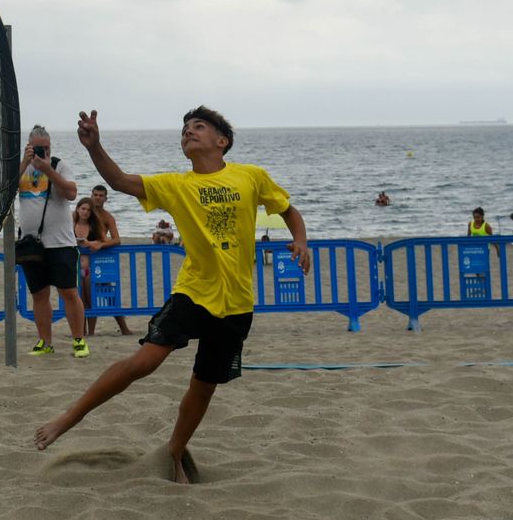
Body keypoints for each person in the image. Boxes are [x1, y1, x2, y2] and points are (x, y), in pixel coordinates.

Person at [35, 106, 310, 484]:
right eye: (184, 129)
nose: (189, 132)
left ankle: (175, 452)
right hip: (193, 293)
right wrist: (94, 146)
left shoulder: (251, 177)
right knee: (145, 361)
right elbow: (118, 180)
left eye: (198, 126)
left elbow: (288, 210)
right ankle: (70, 416)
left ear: (222, 140)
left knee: (204, 384)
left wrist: (300, 240)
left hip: (237, 302)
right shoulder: (177, 185)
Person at [16, 125, 89, 358]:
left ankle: (78, 340)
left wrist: (48, 169)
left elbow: (71, 193)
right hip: (32, 243)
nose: (41, 151)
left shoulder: (59, 165)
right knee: (39, 294)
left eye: (45, 147)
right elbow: (3, 192)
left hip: (61, 243)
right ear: (28, 146)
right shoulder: (21, 169)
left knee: (68, 291)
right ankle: (45, 341)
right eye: (37, 147)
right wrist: (23, 163)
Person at [87, 184, 135, 336]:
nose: (98, 198)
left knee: (109, 294)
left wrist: (101, 244)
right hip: (83, 258)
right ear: (91, 195)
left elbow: (117, 240)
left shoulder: (107, 217)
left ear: (106, 198)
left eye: (101, 195)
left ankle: (124, 328)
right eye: (95, 194)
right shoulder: (84, 213)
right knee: (85, 295)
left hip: (100, 259)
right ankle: (88, 331)